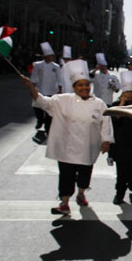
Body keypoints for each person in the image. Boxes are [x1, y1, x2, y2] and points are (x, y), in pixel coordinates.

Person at [20, 59, 113, 215]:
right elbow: (42, 101)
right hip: (67, 147)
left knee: (84, 174)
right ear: (74, 87)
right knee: (66, 176)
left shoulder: (99, 104)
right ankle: (64, 203)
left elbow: (106, 123)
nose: (84, 87)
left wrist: (106, 141)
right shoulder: (62, 100)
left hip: (88, 147)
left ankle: (81, 193)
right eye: (80, 85)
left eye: (86, 85)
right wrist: (31, 87)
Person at [110, 74, 132, 205]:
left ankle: (131, 179)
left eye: (131, 92)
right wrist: (122, 104)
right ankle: (119, 194)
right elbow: (114, 121)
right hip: (120, 143)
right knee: (121, 172)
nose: (129, 94)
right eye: (127, 92)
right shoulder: (115, 105)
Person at [30, 42, 62, 142]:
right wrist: (32, 87)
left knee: (49, 111)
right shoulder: (38, 65)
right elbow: (34, 77)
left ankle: (48, 128)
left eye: (52, 56)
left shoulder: (56, 66)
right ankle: (40, 120)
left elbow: (59, 79)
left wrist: (60, 90)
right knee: (37, 108)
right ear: (45, 56)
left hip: (52, 91)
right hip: (39, 90)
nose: (51, 57)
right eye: (49, 56)